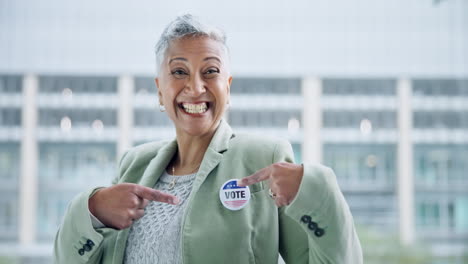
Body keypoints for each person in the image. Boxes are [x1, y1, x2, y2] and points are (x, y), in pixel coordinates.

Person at [54, 14, 363, 264]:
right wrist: (91, 209)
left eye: (210, 71)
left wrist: (316, 191)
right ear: (160, 90)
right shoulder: (135, 164)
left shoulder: (264, 156)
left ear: (227, 87)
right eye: (179, 72)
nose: (196, 87)